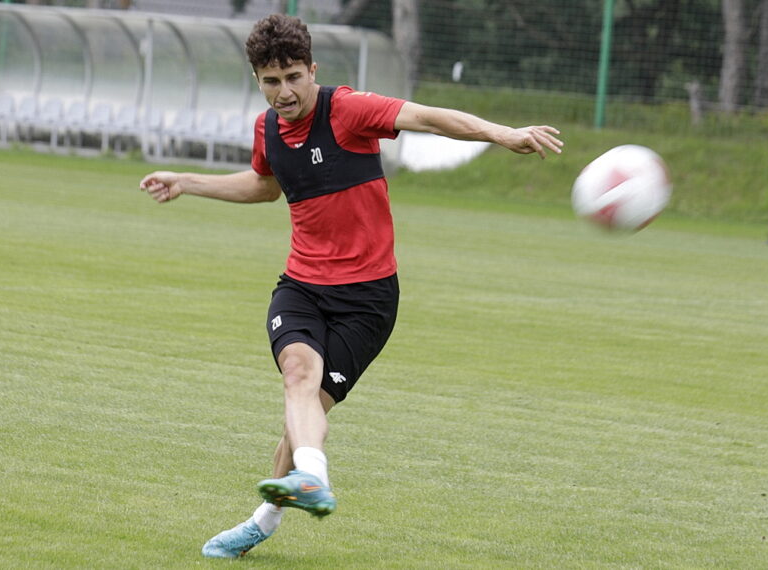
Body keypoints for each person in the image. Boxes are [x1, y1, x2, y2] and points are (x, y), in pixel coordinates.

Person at [139, 14, 564, 559]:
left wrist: (502, 134)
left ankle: (264, 521)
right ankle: (312, 478)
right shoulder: (267, 130)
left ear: (312, 70)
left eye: (294, 76)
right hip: (301, 284)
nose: (284, 92)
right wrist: (187, 181)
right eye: (271, 81)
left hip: (367, 299)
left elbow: (427, 117)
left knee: (306, 415)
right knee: (298, 374)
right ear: (258, 80)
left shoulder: (347, 110)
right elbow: (265, 187)